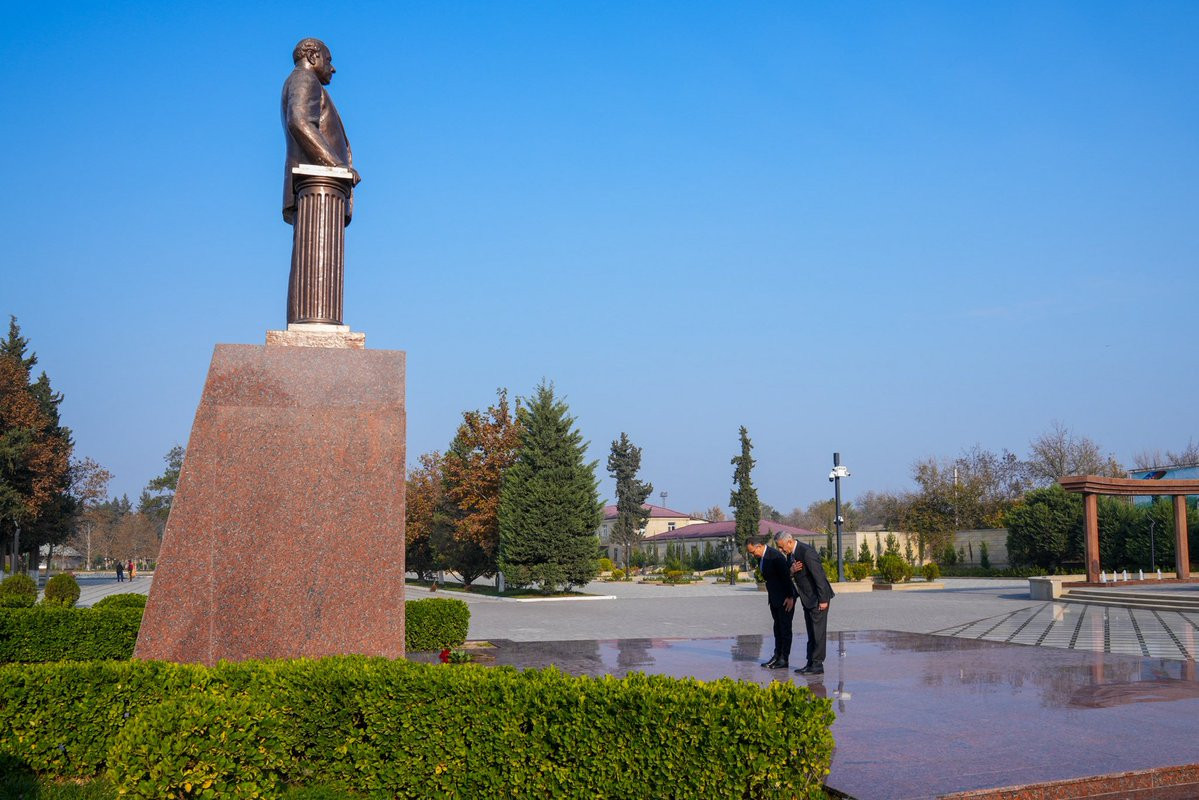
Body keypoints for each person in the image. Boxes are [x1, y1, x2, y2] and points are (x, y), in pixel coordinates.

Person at [281, 37, 360, 226]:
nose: (333, 68)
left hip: (318, 188)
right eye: (328, 60)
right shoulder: (305, 78)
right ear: (311, 56)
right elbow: (299, 122)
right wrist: (336, 164)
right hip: (316, 186)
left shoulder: (302, 80)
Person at [784, 535, 835, 675]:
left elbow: (819, 576)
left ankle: (817, 664)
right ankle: (810, 662)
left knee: (818, 633)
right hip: (807, 598)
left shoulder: (806, 552)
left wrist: (823, 600)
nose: (781, 550)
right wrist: (791, 571)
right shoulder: (790, 555)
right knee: (811, 632)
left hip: (817, 598)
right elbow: (788, 574)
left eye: (782, 546)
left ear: (789, 542)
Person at [746, 535, 798, 669]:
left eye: (752, 552)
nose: (752, 555)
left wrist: (790, 596)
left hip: (785, 598)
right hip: (775, 597)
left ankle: (784, 659)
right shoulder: (761, 557)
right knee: (777, 628)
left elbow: (786, 577)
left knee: (785, 629)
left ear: (759, 546)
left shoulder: (775, 556)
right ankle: (777, 656)